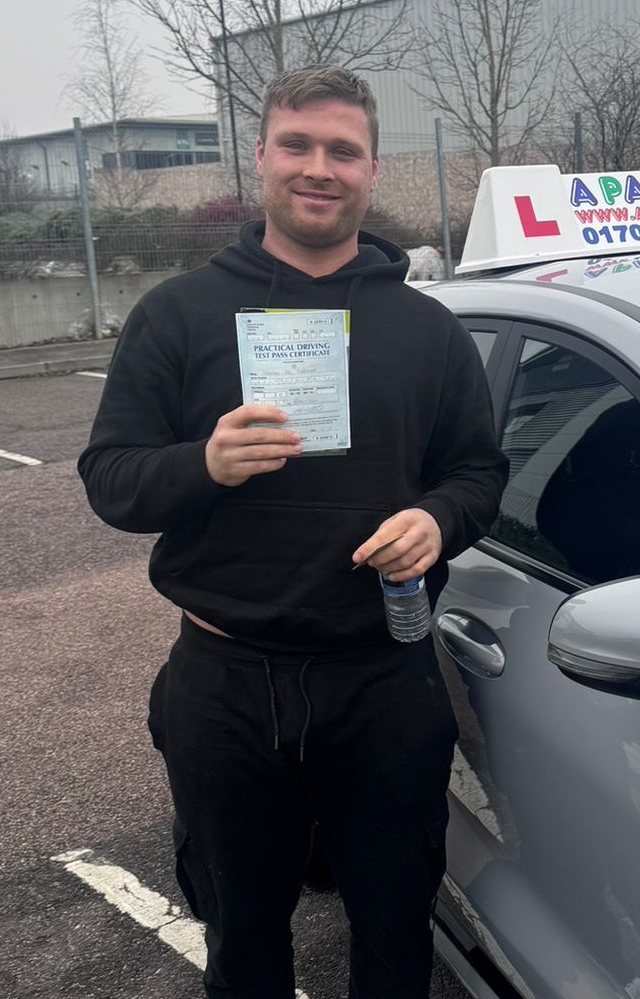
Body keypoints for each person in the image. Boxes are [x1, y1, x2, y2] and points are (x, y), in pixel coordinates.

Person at [78, 64, 508, 999]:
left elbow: (479, 475)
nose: (320, 167)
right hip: (227, 683)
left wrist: (437, 520)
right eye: (298, 145)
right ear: (263, 157)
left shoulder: (425, 330)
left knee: (395, 930)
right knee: (243, 938)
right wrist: (204, 463)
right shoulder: (178, 316)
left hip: (383, 677)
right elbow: (109, 481)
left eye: (342, 151)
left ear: (370, 168)